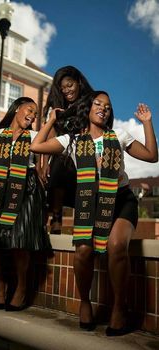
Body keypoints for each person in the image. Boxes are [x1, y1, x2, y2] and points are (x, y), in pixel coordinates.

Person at [30, 91, 158, 335]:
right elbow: (36, 146)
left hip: (121, 200)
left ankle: (119, 307)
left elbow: (152, 156)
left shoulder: (118, 135)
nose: (103, 108)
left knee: (117, 245)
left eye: (108, 106)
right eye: (98, 104)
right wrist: (51, 120)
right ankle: (85, 302)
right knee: (83, 252)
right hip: (90, 203)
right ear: (88, 109)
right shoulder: (73, 141)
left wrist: (147, 122)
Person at [0, 97, 50, 311]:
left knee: (20, 238)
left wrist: (43, 165)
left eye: (36, 114)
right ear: (17, 108)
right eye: (29, 109)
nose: (32, 115)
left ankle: (21, 288)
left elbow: (52, 142)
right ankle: (1, 285)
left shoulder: (35, 136)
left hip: (27, 188)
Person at [42, 65, 93, 234]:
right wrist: (43, 164)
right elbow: (50, 136)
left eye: (69, 85)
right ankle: (56, 219)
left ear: (78, 82)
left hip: (86, 150)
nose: (66, 90)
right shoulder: (57, 106)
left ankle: (84, 222)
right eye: (62, 88)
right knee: (59, 163)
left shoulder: (90, 101)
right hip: (62, 151)